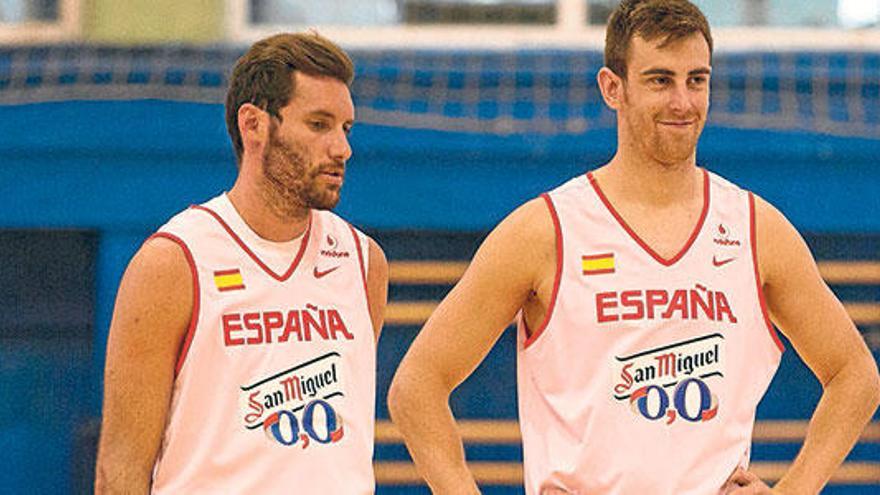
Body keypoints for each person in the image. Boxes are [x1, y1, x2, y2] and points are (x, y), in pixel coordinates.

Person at [388, 1, 879, 494]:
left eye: (697, 80)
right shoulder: (545, 231)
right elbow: (417, 385)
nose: (683, 102)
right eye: (660, 80)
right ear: (612, 88)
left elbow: (855, 373)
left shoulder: (755, 228)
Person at [95, 32, 387, 493]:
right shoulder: (174, 262)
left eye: (345, 129)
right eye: (318, 124)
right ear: (253, 124)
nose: (341, 148)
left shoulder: (363, 261)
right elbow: (121, 469)